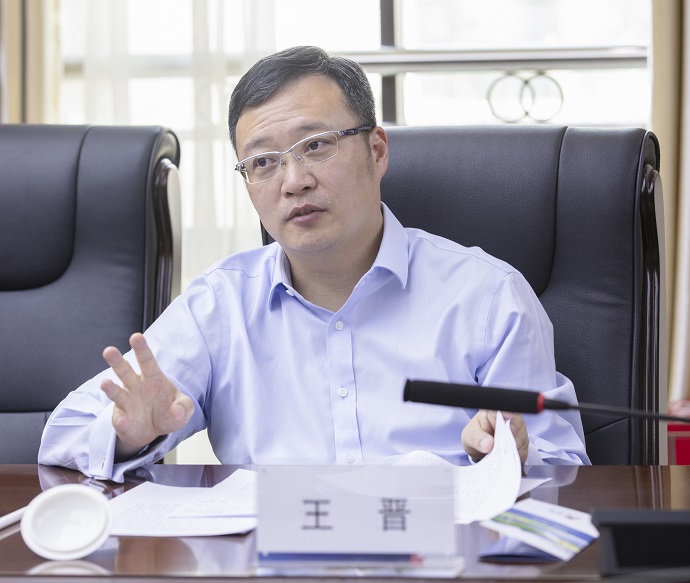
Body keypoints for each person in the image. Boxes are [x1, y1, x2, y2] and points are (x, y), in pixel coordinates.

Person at [39, 46, 590, 482]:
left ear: (376, 151)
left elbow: (567, 469)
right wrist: (129, 435)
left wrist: (510, 453)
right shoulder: (221, 307)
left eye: (317, 146)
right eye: (263, 162)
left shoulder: (487, 297)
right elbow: (64, 434)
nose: (294, 181)